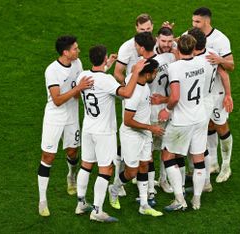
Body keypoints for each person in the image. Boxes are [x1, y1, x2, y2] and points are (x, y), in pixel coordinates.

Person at [75, 45, 147, 222]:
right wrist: (136, 72)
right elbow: (127, 93)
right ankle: (97, 211)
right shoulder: (107, 80)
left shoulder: (83, 76)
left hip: (88, 128)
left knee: (86, 165)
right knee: (105, 169)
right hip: (104, 132)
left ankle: (81, 203)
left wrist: (107, 65)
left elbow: (98, 78)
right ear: (104, 57)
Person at [37, 35, 93, 217]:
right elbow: (57, 100)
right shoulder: (52, 71)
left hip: (72, 116)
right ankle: (42, 200)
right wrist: (78, 88)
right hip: (54, 117)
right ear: (65, 52)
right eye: (75, 49)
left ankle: (71, 177)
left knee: (72, 152)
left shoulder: (77, 64)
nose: (79, 51)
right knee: (48, 156)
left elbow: (81, 88)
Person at [108, 58, 164, 217]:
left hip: (144, 134)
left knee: (145, 165)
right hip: (132, 134)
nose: (156, 75)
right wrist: (150, 127)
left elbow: (130, 73)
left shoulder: (137, 81)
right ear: (147, 75)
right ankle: (114, 188)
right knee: (131, 172)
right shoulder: (134, 94)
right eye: (154, 72)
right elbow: (128, 121)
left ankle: (144, 204)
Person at [158, 34, 207, 211]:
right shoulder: (202, 63)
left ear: (178, 49)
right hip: (200, 116)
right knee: (198, 158)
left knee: (167, 156)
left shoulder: (174, 67)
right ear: (194, 49)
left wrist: (167, 110)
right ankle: (197, 200)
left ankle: (179, 199)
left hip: (182, 120)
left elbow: (176, 97)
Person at [187, 28, 233, 193]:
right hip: (203, 99)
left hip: (216, 96)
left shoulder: (208, 57)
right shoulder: (203, 54)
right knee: (207, 128)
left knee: (221, 127)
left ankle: (226, 165)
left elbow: (224, 73)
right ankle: (212, 163)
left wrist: (228, 95)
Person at [113, 13, 154, 196]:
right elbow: (118, 72)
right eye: (142, 29)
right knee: (130, 135)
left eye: (148, 29)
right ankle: (119, 180)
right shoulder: (127, 48)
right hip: (134, 94)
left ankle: (146, 193)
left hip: (147, 97)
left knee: (147, 150)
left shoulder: (154, 45)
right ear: (136, 29)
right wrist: (129, 90)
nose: (145, 32)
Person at [134, 30, 176, 203]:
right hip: (167, 109)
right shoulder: (170, 58)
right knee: (163, 148)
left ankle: (153, 187)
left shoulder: (143, 65)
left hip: (151, 113)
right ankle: (159, 183)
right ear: (156, 41)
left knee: (150, 150)